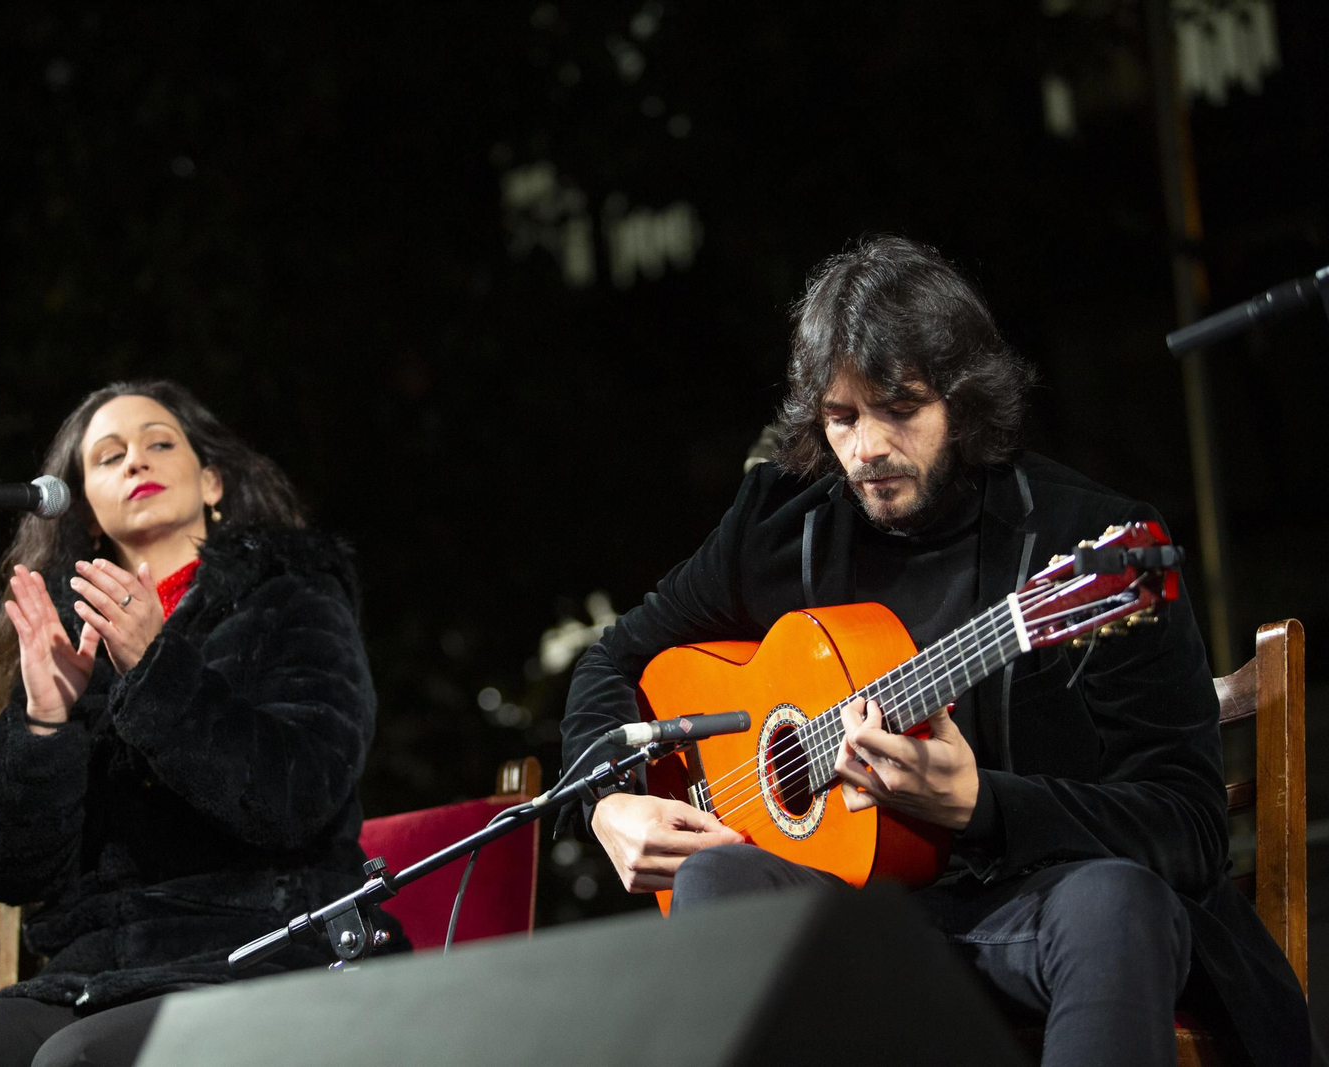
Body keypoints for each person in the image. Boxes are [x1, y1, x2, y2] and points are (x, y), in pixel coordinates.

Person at [559, 237, 1311, 1067]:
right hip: (864, 918)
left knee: (1112, 901)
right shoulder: (780, 526)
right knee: (715, 882)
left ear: (964, 398)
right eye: (842, 417)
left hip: (1044, 917)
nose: (867, 447)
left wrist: (981, 802)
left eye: (900, 408)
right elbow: (615, 660)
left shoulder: (1084, 546)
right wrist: (608, 801)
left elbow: (1191, 828)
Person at [0, 380, 387, 1066]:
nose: (136, 461)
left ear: (212, 482)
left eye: (160, 443)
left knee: (78, 1057)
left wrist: (158, 666)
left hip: (255, 949)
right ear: (89, 512)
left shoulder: (294, 601)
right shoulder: (71, 644)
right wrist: (45, 723)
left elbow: (300, 790)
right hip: (95, 971)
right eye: (108, 456)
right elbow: (7, 867)